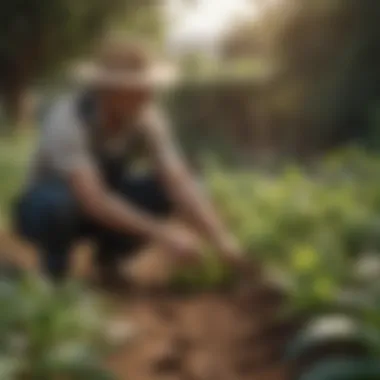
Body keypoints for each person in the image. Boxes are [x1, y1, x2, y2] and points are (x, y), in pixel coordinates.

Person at [14, 38, 245, 286]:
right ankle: (54, 275)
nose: (148, 94)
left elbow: (177, 180)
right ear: (108, 91)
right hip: (48, 208)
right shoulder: (69, 119)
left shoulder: (147, 118)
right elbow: (93, 199)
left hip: (102, 201)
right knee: (57, 204)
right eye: (136, 88)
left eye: (148, 86)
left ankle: (110, 262)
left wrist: (221, 238)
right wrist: (164, 234)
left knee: (162, 190)